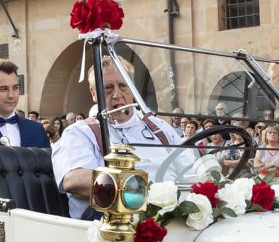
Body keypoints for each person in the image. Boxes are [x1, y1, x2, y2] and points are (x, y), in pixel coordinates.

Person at [52, 57, 185, 220]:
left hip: (177, 214)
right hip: (114, 223)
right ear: (94, 93)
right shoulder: (80, 132)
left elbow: (191, 168)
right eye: (108, 88)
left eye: (123, 86)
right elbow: (73, 180)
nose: (117, 95)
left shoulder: (159, 127)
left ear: (132, 88)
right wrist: (136, 189)